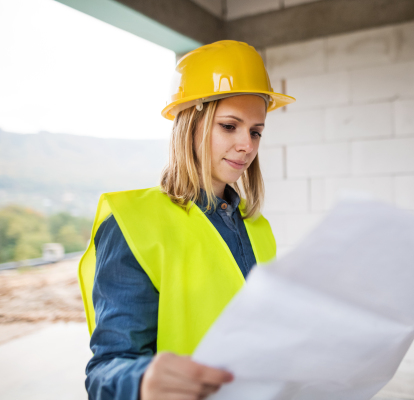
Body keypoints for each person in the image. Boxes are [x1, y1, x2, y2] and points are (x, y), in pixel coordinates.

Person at [78, 40, 295, 400]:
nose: (248, 145)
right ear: (189, 124)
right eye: (229, 126)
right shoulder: (134, 224)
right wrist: (143, 380)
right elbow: (107, 370)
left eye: (256, 131)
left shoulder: (258, 228)